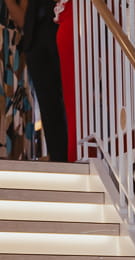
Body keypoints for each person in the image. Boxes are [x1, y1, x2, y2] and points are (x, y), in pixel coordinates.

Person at [1, 0, 68, 160]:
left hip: (57, 30)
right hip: (34, 40)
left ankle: (69, 154)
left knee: (66, 98)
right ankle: (58, 157)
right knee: (47, 105)